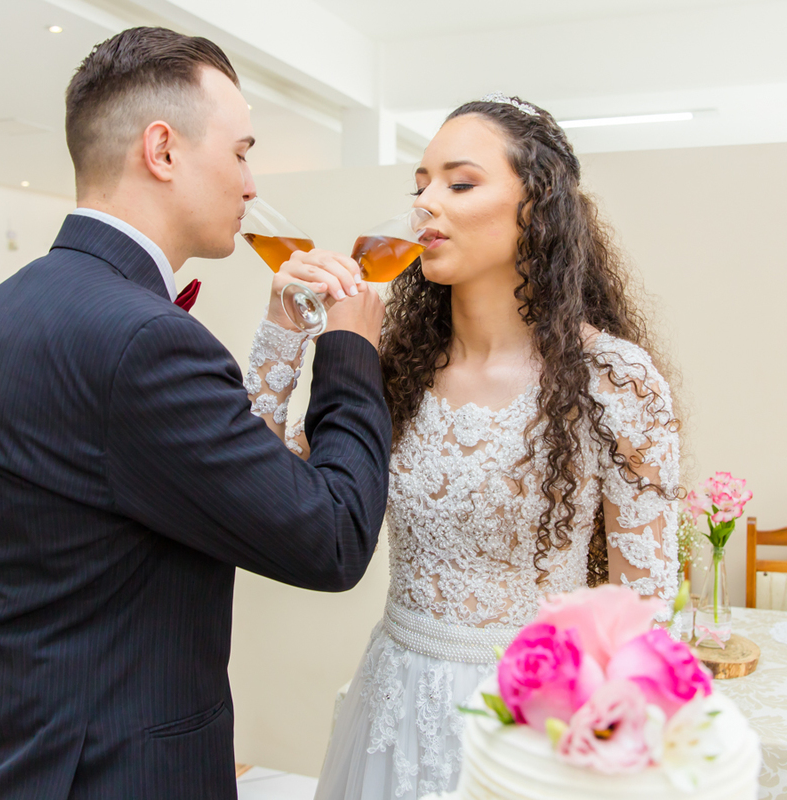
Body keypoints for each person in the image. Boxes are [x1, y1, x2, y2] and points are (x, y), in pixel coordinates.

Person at [0, 28, 390, 800]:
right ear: (163, 150)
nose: (250, 184)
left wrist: (279, 337)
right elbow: (330, 537)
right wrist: (350, 351)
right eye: (240, 151)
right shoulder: (146, 341)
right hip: (110, 772)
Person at [248, 94, 682, 800]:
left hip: (532, 728)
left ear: (536, 207)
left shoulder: (613, 380)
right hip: (394, 705)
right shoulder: (393, 369)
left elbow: (645, 613)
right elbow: (269, 492)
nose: (425, 204)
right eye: (419, 184)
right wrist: (282, 339)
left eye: (459, 182)